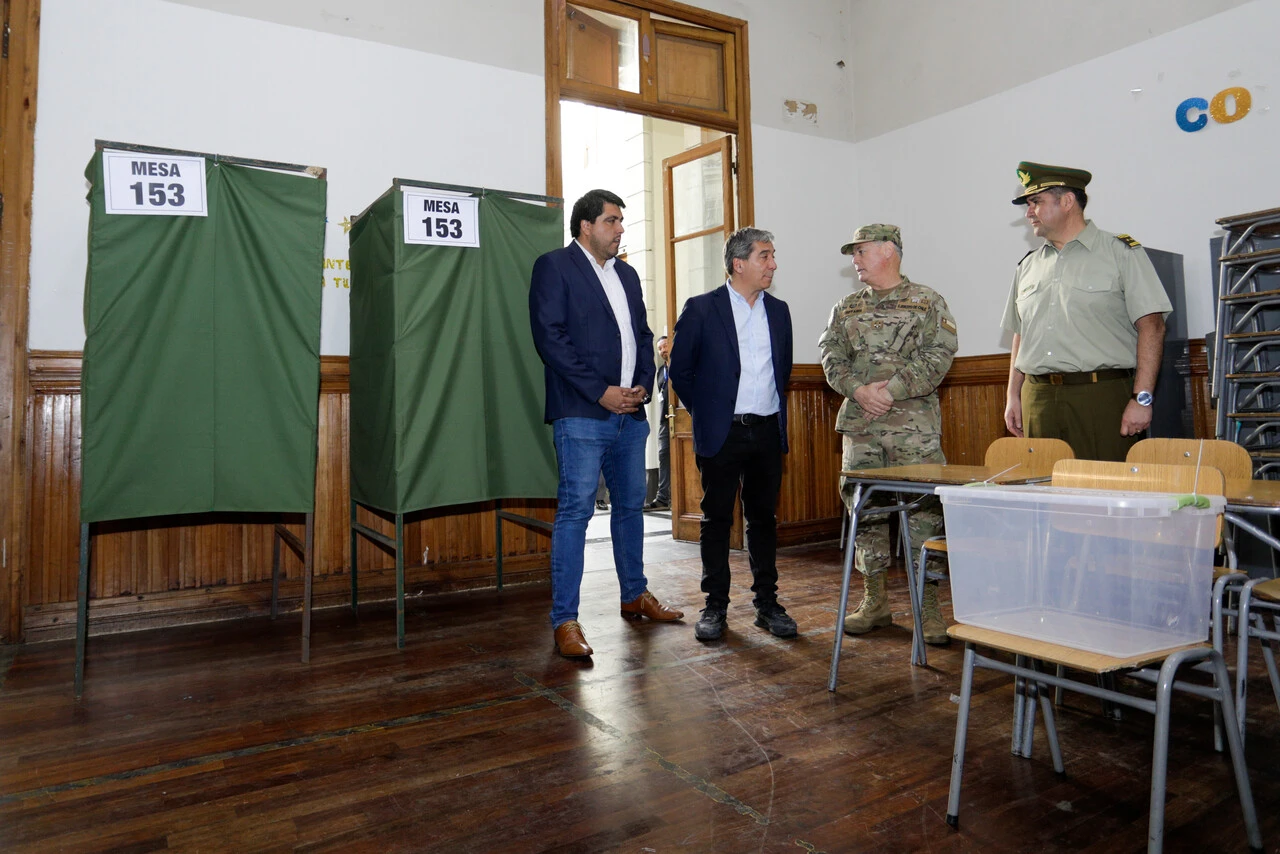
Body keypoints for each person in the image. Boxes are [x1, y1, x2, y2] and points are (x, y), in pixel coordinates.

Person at [529, 188, 684, 658]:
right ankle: (565, 621)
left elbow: (640, 333)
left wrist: (639, 388)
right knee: (576, 512)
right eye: (612, 221)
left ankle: (634, 594)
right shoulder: (554, 266)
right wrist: (600, 391)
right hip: (582, 412)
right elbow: (549, 338)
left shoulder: (629, 275)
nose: (620, 229)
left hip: (630, 414)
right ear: (586, 226)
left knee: (630, 508)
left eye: (621, 222)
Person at [819, 224, 958, 645]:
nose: (855, 260)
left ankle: (928, 606)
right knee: (865, 512)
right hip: (862, 427)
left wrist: (891, 390)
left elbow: (940, 354)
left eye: (860, 252)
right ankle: (874, 600)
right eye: (854, 253)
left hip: (912, 428)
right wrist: (858, 390)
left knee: (924, 514)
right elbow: (830, 354)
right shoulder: (845, 308)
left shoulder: (927, 301)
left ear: (888, 252)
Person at [669, 227, 797, 642]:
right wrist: (708, 413)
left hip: (765, 432)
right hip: (722, 433)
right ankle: (715, 607)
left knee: (763, 520)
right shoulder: (702, 309)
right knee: (717, 520)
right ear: (738, 263)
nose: (773, 264)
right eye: (765, 256)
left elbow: (784, 372)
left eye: (773, 255)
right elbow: (681, 371)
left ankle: (767, 604)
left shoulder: (779, 312)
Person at [1002, 161, 1171, 462]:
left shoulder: (1120, 253)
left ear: (1067, 201)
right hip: (1038, 398)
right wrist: (1012, 395)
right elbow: (1021, 333)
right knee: (1046, 493)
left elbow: (1153, 326)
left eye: (1036, 202)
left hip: (1101, 396)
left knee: (1107, 493)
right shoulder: (1027, 266)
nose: (1028, 213)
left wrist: (1141, 399)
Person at [644, 335, 671, 511]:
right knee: (664, 456)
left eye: (665, 346)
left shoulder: (682, 366)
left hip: (683, 419)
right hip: (665, 420)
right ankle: (663, 497)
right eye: (660, 348)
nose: (662, 351)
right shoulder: (660, 371)